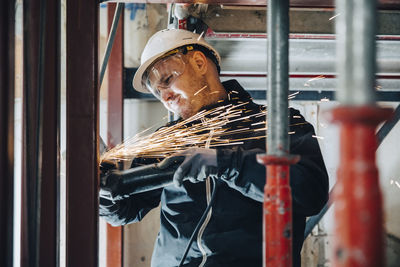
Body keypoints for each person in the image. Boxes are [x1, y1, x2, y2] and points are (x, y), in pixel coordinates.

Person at [99, 29, 329, 267]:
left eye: (167, 81)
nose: (165, 97)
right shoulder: (168, 141)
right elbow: (124, 211)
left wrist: (227, 163)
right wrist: (103, 191)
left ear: (199, 62)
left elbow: (311, 194)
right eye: (158, 92)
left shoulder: (279, 124)